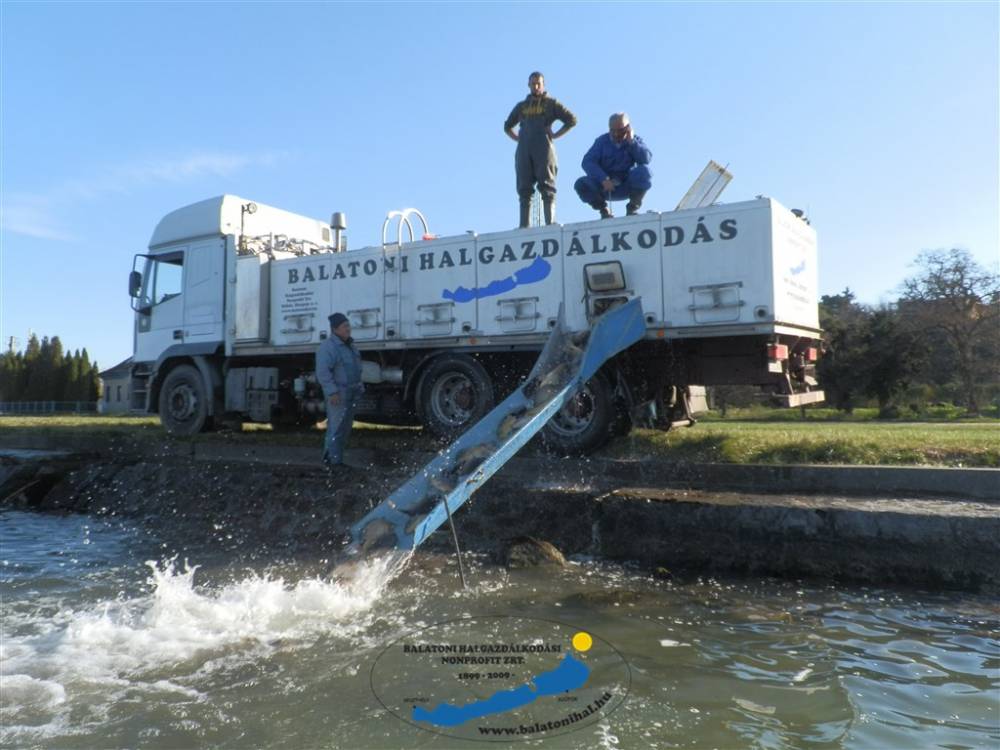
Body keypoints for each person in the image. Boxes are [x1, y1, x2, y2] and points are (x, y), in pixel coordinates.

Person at [504, 71, 577, 228]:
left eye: (539, 83)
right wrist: (518, 139)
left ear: (543, 85)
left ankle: (550, 222)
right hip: (524, 149)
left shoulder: (551, 103)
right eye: (533, 83)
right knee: (524, 188)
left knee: (547, 186)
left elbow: (571, 119)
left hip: (544, 148)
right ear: (528, 84)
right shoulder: (522, 106)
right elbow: (507, 126)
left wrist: (556, 134)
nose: (536, 86)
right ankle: (524, 225)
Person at [574, 112, 652, 219]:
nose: (616, 134)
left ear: (628, 127)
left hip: (626, 185)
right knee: (581, 184)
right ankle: (603, 210)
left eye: (620, 130)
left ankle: (632, 208)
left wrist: (632, 142)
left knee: (645, 172)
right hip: (604, 187)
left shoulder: (635, 141)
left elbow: (646, 159)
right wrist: (603, 179)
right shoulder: (601, 142)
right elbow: (587, 162)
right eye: (612, 130)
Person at [315, 312, 363, 470]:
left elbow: (356, 369)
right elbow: (323, 372)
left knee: (344, 428)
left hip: (350, 393)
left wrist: (359, 386)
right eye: (344, 326)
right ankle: (331, 461)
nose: (348, 329)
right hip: (338, 395)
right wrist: (332, 392)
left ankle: (337, 461)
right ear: (335, 329)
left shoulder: (350, 346)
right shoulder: (328, 348)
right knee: (336, 427)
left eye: (348, 326)